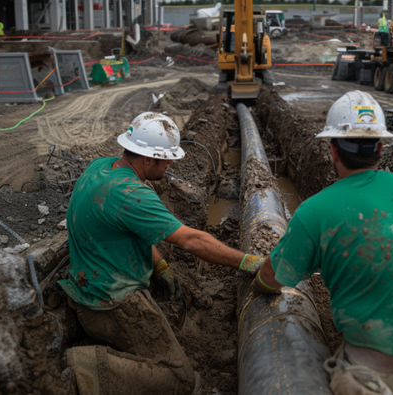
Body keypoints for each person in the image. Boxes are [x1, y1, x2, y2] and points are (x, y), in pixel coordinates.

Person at [252, 91, 393, 395]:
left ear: (333, 151)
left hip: (377, 372)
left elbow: (272, 279)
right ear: (379, 148)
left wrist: (257, 280)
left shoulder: (314, 211)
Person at [60, 112, 265, 395]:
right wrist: (247, 261)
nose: (170, 165)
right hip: (110, 303)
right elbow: (192, 240)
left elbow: (132, 228)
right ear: (147, 159)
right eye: (166, 158)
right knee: (179, 379)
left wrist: (160, 267)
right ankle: (84, 368)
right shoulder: (132, 194)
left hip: (86, 288)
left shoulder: (101, 168)